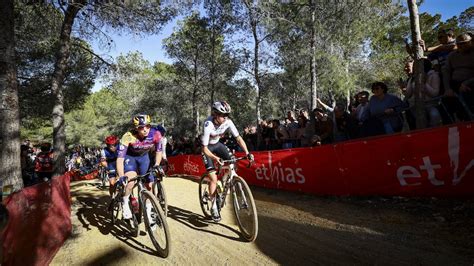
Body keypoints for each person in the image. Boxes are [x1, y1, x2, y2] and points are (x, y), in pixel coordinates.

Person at [201, 101, 254, 222]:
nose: (225, 118)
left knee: (233, 163)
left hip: (218, 145)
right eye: (222, 115)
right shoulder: (208, 124)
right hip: (207, 148)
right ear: (215, 114)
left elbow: (239, 138)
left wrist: (247, 152)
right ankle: (214, 206)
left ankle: (225, 182)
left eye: (227, 115)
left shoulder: (228, 122)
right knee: (213, 178)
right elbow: (204, 148)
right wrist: (215, 158)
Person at [116, 114, 164, 221]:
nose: (145, 129)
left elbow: (159, 151)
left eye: (147, 126)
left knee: (149, 185)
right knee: (130, 182)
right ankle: (125, 202)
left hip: (144, 158)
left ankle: (148, 210)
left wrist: (156, 164)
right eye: (141, 127)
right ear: (136, 128)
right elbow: (120, 159)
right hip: (130, 158)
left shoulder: (156, 134)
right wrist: (121, 176)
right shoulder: (128, 137)